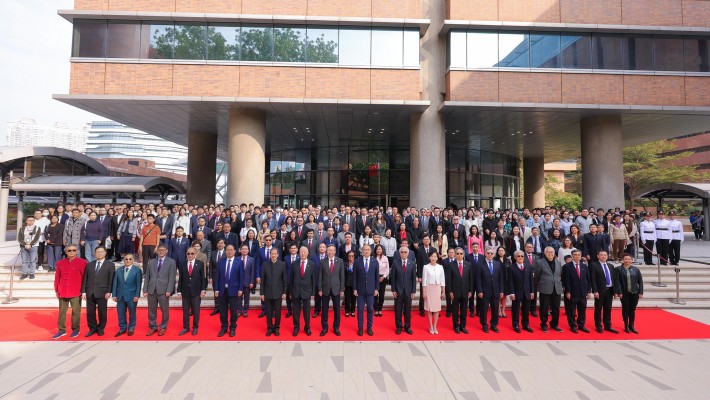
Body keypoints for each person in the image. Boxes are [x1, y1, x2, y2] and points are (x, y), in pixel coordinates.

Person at [52, 245, 87, 339]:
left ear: (77, 251)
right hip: (63, 291)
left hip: (76, 292)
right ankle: (61, 330)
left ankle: (76, 329)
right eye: (69, 250)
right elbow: (57, 277)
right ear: (66, 252)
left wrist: (83, 291)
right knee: (62, 312)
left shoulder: (82, 262)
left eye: (74, 250)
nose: (71, 252)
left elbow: (85, 278)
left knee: (76, 312)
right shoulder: (60, 263)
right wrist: (56, 290)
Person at [142, 244, 177, 336]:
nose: (161, 251)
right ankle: (152, 326)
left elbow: (172, 277)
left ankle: (163, 327)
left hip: (164, 290)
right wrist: (145, 289)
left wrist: (169, 290)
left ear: (166, 251)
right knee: (151, 310)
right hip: (151, 289)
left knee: (164, 310)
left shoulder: (171, 262)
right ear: (156, 251)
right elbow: (147, 277)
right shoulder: (152, 261)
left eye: (163, 250)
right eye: (159, 250)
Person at [82, 246, 115, 337]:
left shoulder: (110, 265)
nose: (99, 253)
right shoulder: (89, 264)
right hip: (90, 291)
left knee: (102, 312)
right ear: (94, 253)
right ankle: (92, 328)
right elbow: (85, 278)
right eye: (97, 252)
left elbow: (111, 279)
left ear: (105, 253)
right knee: (90, 312)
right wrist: (83, 291)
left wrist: (109, 291)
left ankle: (101, 328)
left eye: (101, 252)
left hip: (103, 292)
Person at [177, 247, 207, 336]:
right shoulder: (182, 264)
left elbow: (203, 278)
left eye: (192, 253)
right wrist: (179, 291)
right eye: (188, 253)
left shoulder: (200, 264)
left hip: (196, 292)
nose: (190, 255)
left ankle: (195, 327)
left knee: (196, 311)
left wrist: (203, 290)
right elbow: (180, 279)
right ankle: (186, 327)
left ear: (195, 254)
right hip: (185, 291)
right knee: (185, 311)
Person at [214, 244, 243, 337]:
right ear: (225, 251)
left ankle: (233, 327)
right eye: (228, 250)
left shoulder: (239, 262)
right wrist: (216, 289)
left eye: (231, 250)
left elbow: (241, 277)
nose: (229, 251)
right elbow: (217, 276)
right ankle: (224, 327)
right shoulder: (221, 262)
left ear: (235, 251)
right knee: (223, 310)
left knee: (234, 311)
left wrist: (240, 289)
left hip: (234, 290)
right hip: (222, 290)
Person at [534, 246, 564, 333]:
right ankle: (543, 324)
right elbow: (537, 277)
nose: (550, 253)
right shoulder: (539, 262)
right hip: (545, 288)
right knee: (544, 307)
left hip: (557, 288)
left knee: (556, 308)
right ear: (545, 253)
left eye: (552, 252)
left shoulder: (558, 262)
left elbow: (560, 275)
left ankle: (554, 324)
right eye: (548, 252)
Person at [446, 247, 475, 334]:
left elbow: (471, 279)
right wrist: (450, 291)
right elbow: (449, 280)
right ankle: (456, 326)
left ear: (463, 255)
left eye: (461, 254)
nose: (459, 255)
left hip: (465, 292)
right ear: (455, 254)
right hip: (455, 292)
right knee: (455, 310)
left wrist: (470, 291)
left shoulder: (468, 264)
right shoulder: (451, 265)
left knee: (464, 310)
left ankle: (462, 326)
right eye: (457, 253)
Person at [112, 252, 142, 337]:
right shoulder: (118, 270)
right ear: (123, 260)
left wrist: (137, 295)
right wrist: (114, 294)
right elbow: (115, 283)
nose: (128, 260)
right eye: (126, 259)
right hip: (120, 295)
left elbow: (138, 284)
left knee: (132, 313)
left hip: (132, 296)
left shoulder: (137, 270)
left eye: (130, 259)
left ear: (133, 260)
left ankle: (131, 328)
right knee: (120, 312)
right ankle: (122, 328)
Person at [477, 247, 505, 333]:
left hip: (496, 291)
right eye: (488, 253)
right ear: (485, 254)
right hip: (485, 291)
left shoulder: (497, 264)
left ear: (494, 254)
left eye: (491, 253)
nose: (490, 255)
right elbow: (478, 279)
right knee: (484, 309)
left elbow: (501, 278)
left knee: (495, 309)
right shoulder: (480, 264)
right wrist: (480, 291)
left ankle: (493, 325)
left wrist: (501, 290)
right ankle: (484, 325)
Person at [260, 248, 288, 337]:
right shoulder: (265, 265)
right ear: (270, 254)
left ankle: (276, 328)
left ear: (278, 254)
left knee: (278, 312)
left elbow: (285, 280)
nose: (273, 255)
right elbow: (262, 280)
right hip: (267, 292)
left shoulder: (282, 264)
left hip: (278, 292)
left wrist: (284, 292)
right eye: (272, 253)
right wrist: (262, 293)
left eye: (275, 253)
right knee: (268, 312)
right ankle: (269, 327)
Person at [562, 249, 592, 333]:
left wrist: (589, 291)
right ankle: (573, 326)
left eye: (578, 254)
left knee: (582, 310)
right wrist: (567, 291)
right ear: (572, 256)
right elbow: (565, 280)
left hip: (583, 293)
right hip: (572, 292)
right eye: (575, 254)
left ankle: (581, 325)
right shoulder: (567, 266)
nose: (577, 256)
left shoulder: (584, 266)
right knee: (571, 311)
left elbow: (588, 279)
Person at [289, 246, 316, 336]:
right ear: (299, 253)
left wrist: (312, 293)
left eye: (304, 252)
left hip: (307, 291)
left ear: (307, 253)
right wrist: (290, 291)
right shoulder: (294, 264)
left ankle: (307, 327)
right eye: (301, 252)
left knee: (307, 311)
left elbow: (313, 279)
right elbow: (291, 279)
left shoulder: (312, 264)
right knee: (296, 311)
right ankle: (296, 327)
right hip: (296, 291)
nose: (303, 253)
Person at [318, 245, 345, 336]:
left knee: (337, 309)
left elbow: (342, 276)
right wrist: (320, 289)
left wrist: (342, 289)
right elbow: (320, 276)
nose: (331, 252)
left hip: (336, 289)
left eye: (333, 250)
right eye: (329, 250)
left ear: (335, 251)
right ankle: (324, 327)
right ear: (326, 251)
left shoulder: (340, 261)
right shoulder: (322, 262)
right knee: (324, 310)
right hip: (325, 288)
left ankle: (336, 327)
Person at [353, 244, 379, 336]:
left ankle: (369, 327)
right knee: (360, 309)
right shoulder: (357, 261)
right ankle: (360, 327)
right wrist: (354, 288)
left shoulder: (375, 261)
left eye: (368, 249)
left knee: (370, 309)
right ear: (362, 251)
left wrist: (377, 288)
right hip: (360, 290)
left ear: (371, 251)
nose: (366, 251)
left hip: (371, 290)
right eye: (365, 249)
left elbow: (377, 277)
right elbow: (354, 276)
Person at [590, 250, 618, 334]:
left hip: (609, 291)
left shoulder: (611, 266)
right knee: (598, 309)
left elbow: (614, 280)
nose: (603, 256)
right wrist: (595, 291)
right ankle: (598, 325)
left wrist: (615, 291)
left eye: (605, 255)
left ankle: (607, 325)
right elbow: (593, 279)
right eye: (601, 255)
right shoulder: (594, 265)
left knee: (608, 309)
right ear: (598, 256)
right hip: (599, 291)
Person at [391, 246, 417, 335]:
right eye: (402, 252)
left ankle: (407, 326)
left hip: (408, 291)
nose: (404, 254)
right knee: (398, 310)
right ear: (399, 253)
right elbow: (393, 278)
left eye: (405, 252)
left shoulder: (412, 264)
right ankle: (398, 326)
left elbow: (414, 279)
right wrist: (393, 290)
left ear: (408, 253)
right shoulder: (395, 263)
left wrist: (413, 291)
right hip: (398, 291)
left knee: (408, 310)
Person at [615, 254, 644, 334]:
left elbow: (640, 282)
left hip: (634, 293)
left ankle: (632, 325)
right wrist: (619, 292)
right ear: (623, 260)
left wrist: (640, 292)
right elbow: (617, 282)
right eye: (625, 259)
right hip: (624, 293)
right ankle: (626, 325)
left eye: (629, 259)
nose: (627, 261)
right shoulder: (618, 269)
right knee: (626, 309)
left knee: (632, 310)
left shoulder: (636, 269)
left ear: (631, 260)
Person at [508, 250, 534, 333]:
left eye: (522, 256)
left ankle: (525, 324)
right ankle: (515, 324)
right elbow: (510, 281)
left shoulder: (528, 266)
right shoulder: (511, 268)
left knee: (526, 309)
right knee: (515, 309)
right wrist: (512, 293)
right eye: (518, 256)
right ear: (515, 257)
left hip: (526, 291)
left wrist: (532, 291)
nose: (520, 257)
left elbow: (531, 280)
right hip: (516, 292)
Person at [422, 251, 445, 334]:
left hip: (437, 288)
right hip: (429, 288)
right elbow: (424, 280)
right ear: (429, 257)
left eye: (435, 256)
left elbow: (442, 280)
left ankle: (435, 325)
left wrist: (443, 291)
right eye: (431, 256)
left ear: (437, 257)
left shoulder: (440, 267)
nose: (433, 258)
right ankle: (430, 326)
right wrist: (424, 292)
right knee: (429, 308)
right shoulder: (426, 267)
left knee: (436, 309)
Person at [18, 215, 41, 280]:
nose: (30, 221)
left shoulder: (37, 228)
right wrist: (25, 244)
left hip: (33, 246)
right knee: (24, 261)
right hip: (24, 247)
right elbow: (19, 238)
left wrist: (30, 244)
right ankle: (24, 273)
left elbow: (37, 238)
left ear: (34, 221)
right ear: (26, 221)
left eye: (32, 220)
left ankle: (32, 273)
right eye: (29, 220)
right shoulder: (22, 228)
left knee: (32, 260)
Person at [236, 244, 256, 318]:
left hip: (248, 282)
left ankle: (245, 311)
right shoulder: (237, 259)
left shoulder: (252, 259)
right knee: (239, 297)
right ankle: (239, 310)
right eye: (243, 249)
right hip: (238, 282)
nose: (244, 250)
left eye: (246, 249)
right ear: (240, 250)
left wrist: (251, 282)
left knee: (247, 298)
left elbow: (252, 272)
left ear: (248, 250)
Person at [373, 244, 390, 317]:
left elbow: (387, 269)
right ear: (375, 250)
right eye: (377, 249)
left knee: (381, 295)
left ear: (382, 250)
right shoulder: (373, 258)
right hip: (374, 278)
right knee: (375, 294)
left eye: (380, 249)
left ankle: (380, 309)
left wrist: (384, 277)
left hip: (383, 277)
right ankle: (376, 309)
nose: (378, 250)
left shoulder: (385, 258)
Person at [343, 251, 357, 318]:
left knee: (354, 298)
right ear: (347, 256)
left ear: (354, 256)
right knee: (347, 298)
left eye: (352, 256)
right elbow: (343, 274)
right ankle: (347, 311)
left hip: (354, 283)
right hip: (347, 283)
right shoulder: (344, 264)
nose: (351, 257)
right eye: (349, 256)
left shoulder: (356, 263)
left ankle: (353, 311)